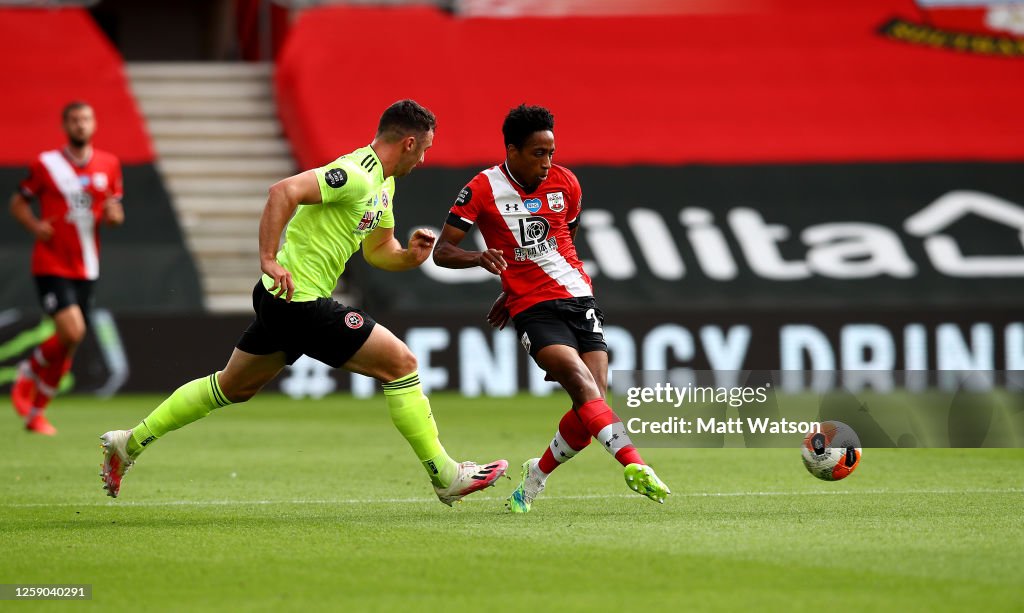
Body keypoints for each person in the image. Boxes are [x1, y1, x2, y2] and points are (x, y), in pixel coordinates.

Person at [99, 100, 507, 503]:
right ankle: (445, 474)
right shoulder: (355, 174)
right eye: (425, 149)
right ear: (409, 143)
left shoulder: (385, 184)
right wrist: (268, 258)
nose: (424, 159)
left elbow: (377, 250)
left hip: (285, 301)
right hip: (300, 301)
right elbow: (283, 192)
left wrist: (409, 257)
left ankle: (128, 443)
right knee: (402, 365)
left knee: (232, 387)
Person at [432, 104, 670, 513]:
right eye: (537, 153)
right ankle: (635, 464)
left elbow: (564, 242)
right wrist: (481, 259)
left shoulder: (566, 184)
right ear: (512, 150)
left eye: (551, 152)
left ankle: (535, 476)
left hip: (579, 298)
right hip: (533, 310)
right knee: (581, 385)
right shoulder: (483, 188)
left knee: (589, 406)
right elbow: (442, 251)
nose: (547, 163)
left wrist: (511, 285)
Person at [9, 101, 124, 435]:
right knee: (73, 331)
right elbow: (18, 202)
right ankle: (29, 370)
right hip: (51, 262)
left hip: (87, 266)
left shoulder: (110, 164)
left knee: (69, 344)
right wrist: (35, 226)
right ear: (65, 125)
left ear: (94, 124)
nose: (81, 125)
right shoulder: (46, 164)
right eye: (74, 120)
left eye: (86, 119)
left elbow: (114, 210)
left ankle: (36, 413)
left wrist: (116, 217)